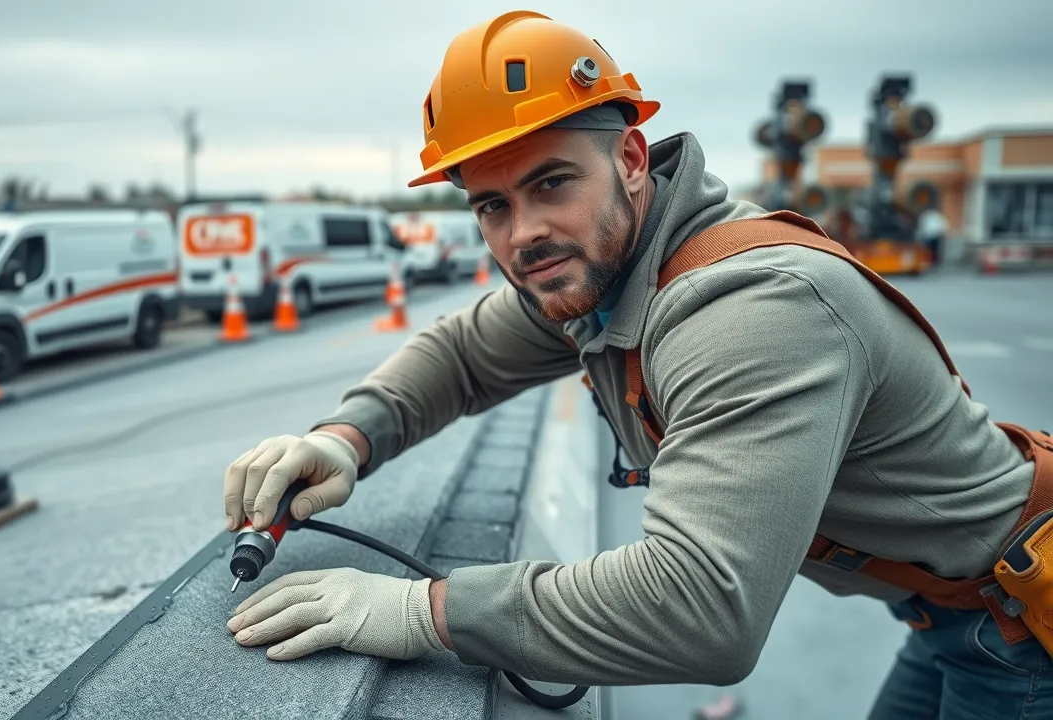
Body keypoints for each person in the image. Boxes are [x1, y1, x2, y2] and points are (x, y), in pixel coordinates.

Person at [221, 11, 1053, 717]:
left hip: (1024, 622)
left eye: (552, 182)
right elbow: (464, 354)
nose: (522, 233)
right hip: (960, 612)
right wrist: (343, 438)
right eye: (492, 205)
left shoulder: (752, 309)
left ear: (626, 160)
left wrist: (421, 612)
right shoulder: (606, 272)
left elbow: (701, 610)